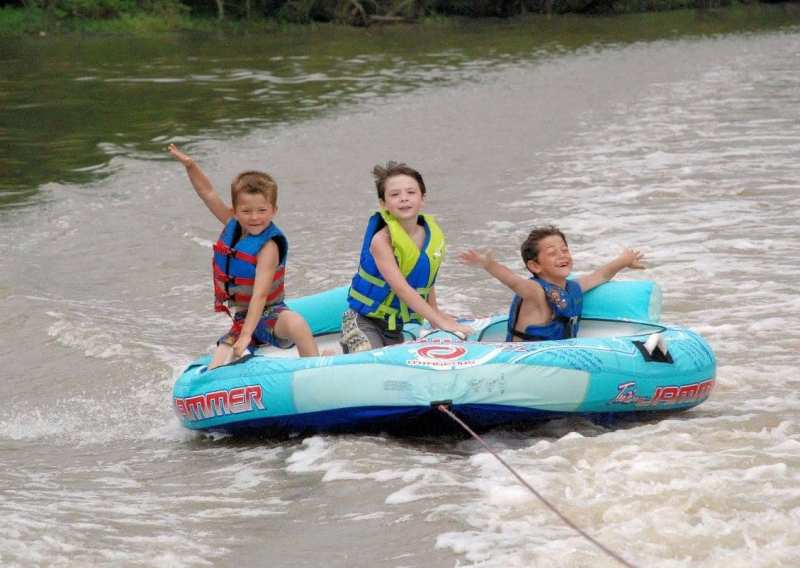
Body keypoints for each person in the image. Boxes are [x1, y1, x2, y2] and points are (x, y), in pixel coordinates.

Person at [168, 144, 320, 368]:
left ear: (274, 210)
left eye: (262, 210)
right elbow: (207, 193)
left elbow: (260, 294)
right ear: (236, 211)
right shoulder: (234, 226)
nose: (254, 217)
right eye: (246, 211)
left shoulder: (269, 246)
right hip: (241, 319)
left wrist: (247, 335)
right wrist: (190, 165)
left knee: (297, 324)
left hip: (271, 315)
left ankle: (315, 365)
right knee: (216, 367)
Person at [340, 161, 472, 353]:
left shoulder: (430, 234)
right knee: (372, 358)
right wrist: (439, 321)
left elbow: (426, 279)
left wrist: (436, 313)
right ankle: (331, 356)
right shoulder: (382, 240)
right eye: (395, 194)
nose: (404, 198)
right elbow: (401, 288)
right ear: (383, 204)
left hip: (394, 327)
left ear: (422, 198)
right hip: (363, 322)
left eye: (411, 192)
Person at [460, 225, 645, 342]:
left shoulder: (572, 288)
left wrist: (624, 260)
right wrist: (488, 264)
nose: (562, 255)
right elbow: (512, 281)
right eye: (552, 253)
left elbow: (601, 275)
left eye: (564, 250)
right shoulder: (535, 291)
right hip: (524, 360)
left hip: (558, 357)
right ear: (535, 265)